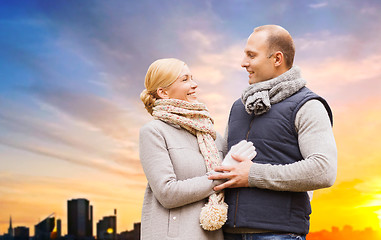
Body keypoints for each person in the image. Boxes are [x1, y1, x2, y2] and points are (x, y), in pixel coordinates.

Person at [208, 25, 337, 240]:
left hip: (279, 235)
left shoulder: (308, 105)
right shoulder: (238, 107)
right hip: (228, 233)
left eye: (251, 55)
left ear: (277, 59)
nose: (243, 63)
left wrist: (253, 175)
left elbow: (323, 169)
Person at [139, 58, 256, 239]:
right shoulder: (154, 132)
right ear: (163, 92)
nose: (194, 85)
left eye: (192, 78)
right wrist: (223, 175)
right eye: (184, 80)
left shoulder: (211, 136)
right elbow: (167, 193)